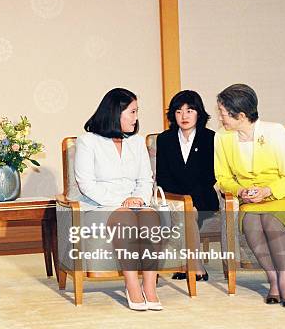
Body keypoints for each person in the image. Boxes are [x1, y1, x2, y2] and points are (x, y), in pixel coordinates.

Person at [215, 83, 285, 307]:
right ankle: (273, 279)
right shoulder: (222, 138)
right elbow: (223, 178)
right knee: (252, 225)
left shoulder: (275, 131)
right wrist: (240, 191)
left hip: (283, 196)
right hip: (250, 200)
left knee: (271, 221)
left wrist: (267, 191)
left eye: (223, 113)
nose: (220, 118)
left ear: (241, 115)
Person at [74, 88, 162, 311]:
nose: (136, 118)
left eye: (136, 112)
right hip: (100, 205)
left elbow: (145, 179)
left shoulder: (137, 141)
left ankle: (149, 287)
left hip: (135, 203)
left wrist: (139, 200)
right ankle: (132, 285)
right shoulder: (88, 141)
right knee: (125, 218)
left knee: (152, 218)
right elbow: (86, 184)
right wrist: (124, 201)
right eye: (132, 112)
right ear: (116, 112)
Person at [156, 90, 218, 281]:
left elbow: (210, 176)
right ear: (172, 115)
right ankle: (190, 265)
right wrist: (181, 200)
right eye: (178, 111)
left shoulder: (211, 138)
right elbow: (163, 176)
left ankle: (194, 265)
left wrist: (191, 200)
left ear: (199, 113)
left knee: (189, 211)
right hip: (175, 198)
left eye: (190, 110)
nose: (184, 116)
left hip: (203, 196)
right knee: (185, 211)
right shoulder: (165, 139)